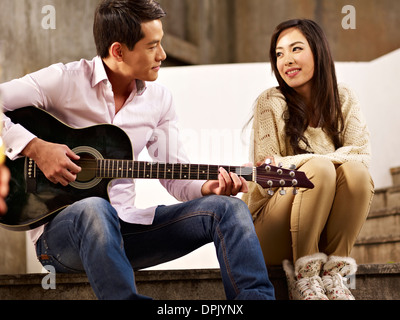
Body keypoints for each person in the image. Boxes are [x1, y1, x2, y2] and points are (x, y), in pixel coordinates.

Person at [0, 0, 275, 300]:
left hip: (129, 231)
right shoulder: (64, 81)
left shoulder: (159, 100)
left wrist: (206, 187)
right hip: (63, 241)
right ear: (118, 50)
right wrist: (36, 148)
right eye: (152, 45)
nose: (163, 55)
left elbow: (176, 177)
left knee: (229, 210)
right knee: (95, 207)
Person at [242, 19, 374, 300]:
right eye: (279, 53)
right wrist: (317, 164)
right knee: (320, 169)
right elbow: (266, 173)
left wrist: (308, 162)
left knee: (357, 174)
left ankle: (334, 274)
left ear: (318, 52)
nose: (286, 60)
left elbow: (361, 153)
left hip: (321, 231)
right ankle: (303, 278)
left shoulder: (344, 98)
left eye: (296, 49)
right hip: (270, 230)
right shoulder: (271, 102)